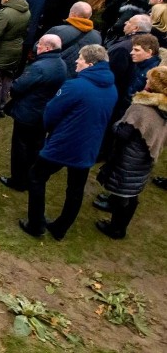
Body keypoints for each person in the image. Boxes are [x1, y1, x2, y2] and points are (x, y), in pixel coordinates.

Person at [20, 44, 117, 240]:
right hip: (88, 147)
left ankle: (36, 224)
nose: (76, 62)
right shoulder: (112, 88)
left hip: (64, 144)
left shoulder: (75, 86)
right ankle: (61, 227)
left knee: (36, 176)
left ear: (90, 63)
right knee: (75, 188)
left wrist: (51, 130)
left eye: (80, 59)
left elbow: (51, 112)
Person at [94, 67, 167, 239]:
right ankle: (118, 221)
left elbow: (122, 133)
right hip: (146, 157)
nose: (146, 81)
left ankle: (116, 228)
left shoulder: (142, 108)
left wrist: (117, 124)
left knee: (124, 194)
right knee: (132, 192)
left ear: (155, 85)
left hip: (129, 157)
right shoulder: (163, 108)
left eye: (149, 80)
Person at [0, 34, 67, 191]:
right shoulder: (61, 64)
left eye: (40, 44)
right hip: (45, 114)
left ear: (48, 48)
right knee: (35, 147)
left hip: (28, 113)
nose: (37, 46)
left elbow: (18, 87)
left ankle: (18, 180)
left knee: (20, 148)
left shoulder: (39, 67)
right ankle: (31, 178)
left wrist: (13, 89)